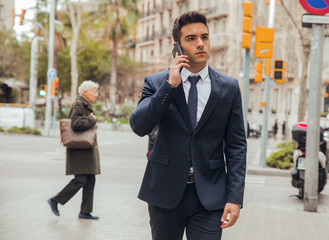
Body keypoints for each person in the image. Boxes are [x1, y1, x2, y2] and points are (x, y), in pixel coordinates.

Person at [130, 11, 247, 240]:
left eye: (204, 36)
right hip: (165, 192)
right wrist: (169, 86)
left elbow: (236, 146)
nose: (200, 43)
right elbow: (139, 125)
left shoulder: (229, 87)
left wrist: (234, 198)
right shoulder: (157, 82)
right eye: (191, 39)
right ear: (178, 47)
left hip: (210, 195)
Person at [47, 80, 101, 220]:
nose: (96, 94)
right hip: (79, 150)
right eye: (94, 91)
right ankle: (55, 200)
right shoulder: (79, 104)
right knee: (81, 179)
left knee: (90, 179)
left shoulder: (84, 104)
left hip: (85, 149)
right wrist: (91, 119)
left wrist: (90, 119)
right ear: (85, 92)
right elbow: (76, 124)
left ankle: (85, 212)